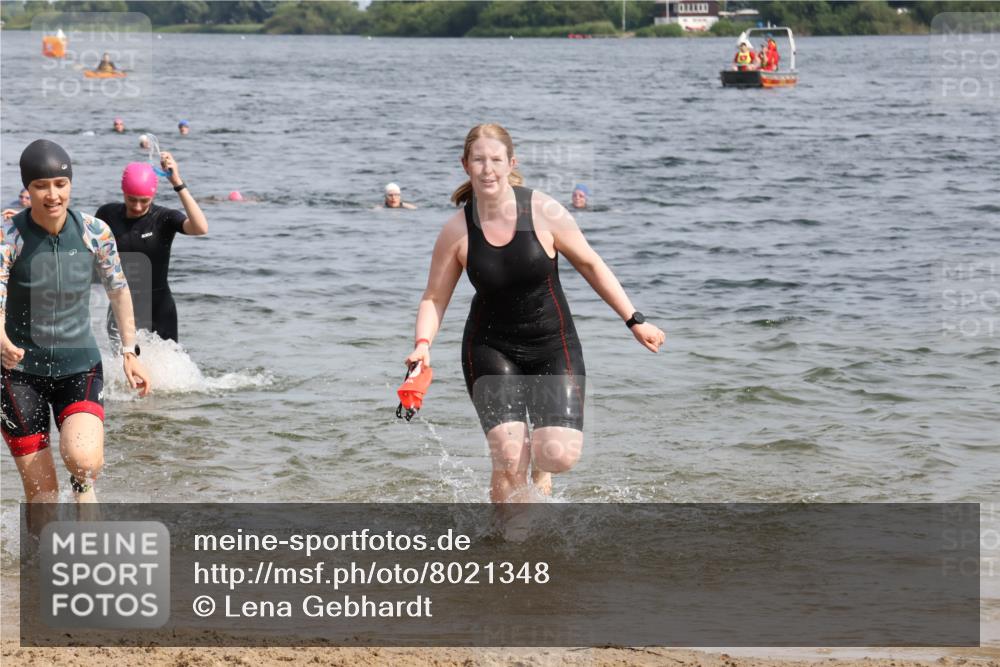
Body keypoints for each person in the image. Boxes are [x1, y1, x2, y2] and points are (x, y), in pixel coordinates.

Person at [404, 124, 665, 505]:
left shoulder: (544, 211)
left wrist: (634, 319)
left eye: (496, 160)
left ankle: (540, 471)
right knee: (509, 457)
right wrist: (422, 345)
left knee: (556, 455)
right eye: (478, 160)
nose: (487, 169)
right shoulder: (457, 231)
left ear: (512, 163)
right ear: (465, 165)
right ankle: (508, 546)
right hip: (490, 345)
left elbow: (591, 265)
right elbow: (434, 297)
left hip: (552, 342)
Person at [2, 139, 152, 504]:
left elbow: (118, 289)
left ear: (70, 185)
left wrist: (129, 352)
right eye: (41, 186)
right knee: (42, 496)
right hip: (18, 374)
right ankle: (43, 561)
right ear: (28, 188)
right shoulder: (10, 237)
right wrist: (2, 340)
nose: (52, 194)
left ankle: (84, 490)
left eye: (60, 184)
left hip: (79, 365)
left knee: (83, 462)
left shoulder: (94, 232)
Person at [95, 154, 207, 346]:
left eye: (144, 201)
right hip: (121, 307)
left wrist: (177, 183)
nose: (138, 206)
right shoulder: (107, 214)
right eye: (132, 199)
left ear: (153, 196)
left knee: (167, 373)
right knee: (124, 370)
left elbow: (200, 228)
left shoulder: (164, 219)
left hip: (160, 309)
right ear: (123, 192)